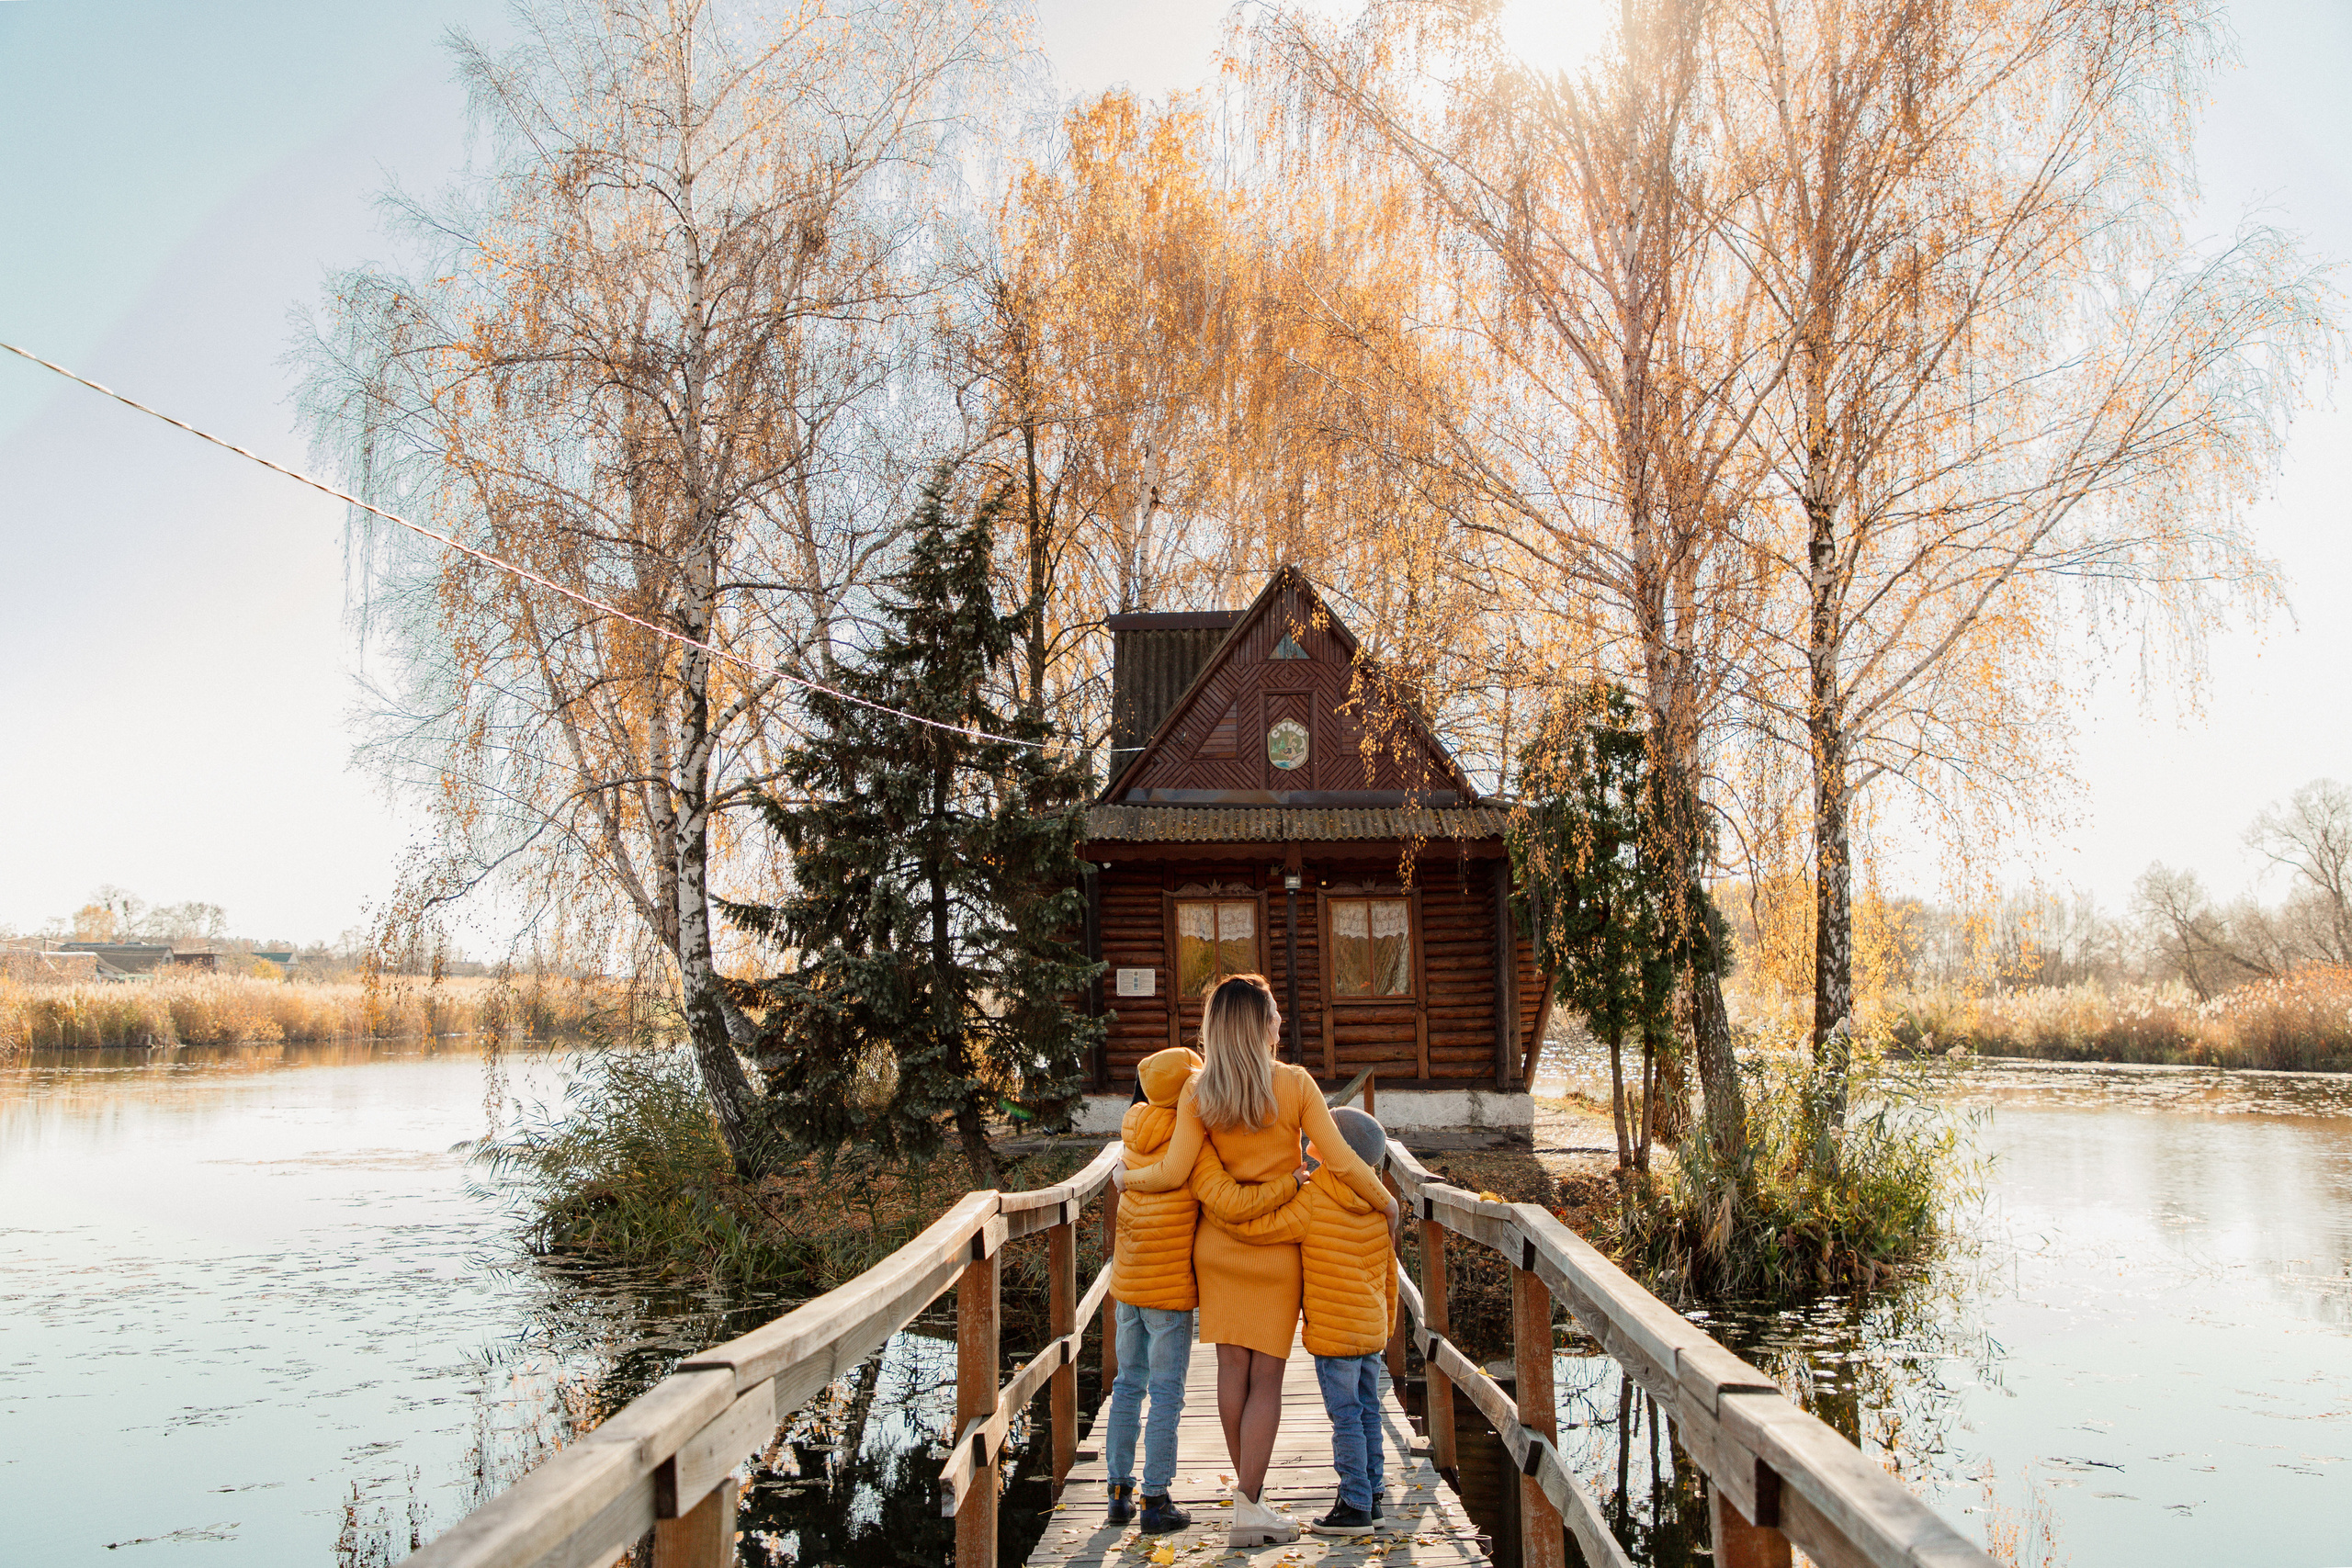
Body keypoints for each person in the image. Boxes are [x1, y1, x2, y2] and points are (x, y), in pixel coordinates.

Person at [1114, 974, 1400, 1549]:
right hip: (1278, 1250)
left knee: (1230, 1374)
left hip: (1217, 1250)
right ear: (1265, 1026)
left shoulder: (1197, 1093)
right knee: (1267, 1379)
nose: (1280, 1025)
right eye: (1275, 1016)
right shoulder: (1294, 1084)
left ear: (1215, 1028)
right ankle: (1249, 1504)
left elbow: (1175, 1172)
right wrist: (1386, 1202)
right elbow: (1340, 1158)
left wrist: (1128, 1179)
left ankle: (1251, 1504)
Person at [1100, 1045, 1299, 1534]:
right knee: (1166, 1392)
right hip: (1169, 1292)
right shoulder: (1191, 1141)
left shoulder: (1131, 1132)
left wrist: (1126, 1181)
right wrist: (1288, 1184)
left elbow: (1132, 1182)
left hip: (1127, 1284)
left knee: (1127, 1384)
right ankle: (1155, 1498)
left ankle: (1117, 1492)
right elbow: (1219, 1195)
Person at [1204, 1105, 1398, 1535]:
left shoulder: (1313, 1199)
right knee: (1368, 1413)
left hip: (1334, 1336)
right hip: (1370, 1333)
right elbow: (1389, 1278)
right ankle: (1374, 1494)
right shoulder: (1376, 1205)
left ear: (1330, 1150)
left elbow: (1265, 1228)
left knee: (1345, 1415)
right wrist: (1387, 1328)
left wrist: (1223, 1218)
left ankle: (1353, 1505)